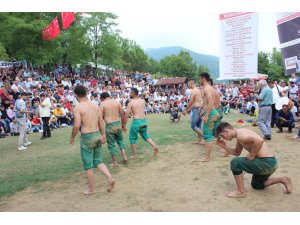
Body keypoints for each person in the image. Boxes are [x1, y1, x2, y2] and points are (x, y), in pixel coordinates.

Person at [216, 122, 292, 198]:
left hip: (266, 163)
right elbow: (237, 152)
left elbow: (259, 141)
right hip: (270, 163)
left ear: (226, 131)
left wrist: (252, 155)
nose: (223, 138)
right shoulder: (240, 135)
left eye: (222, 135)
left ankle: (240, 192)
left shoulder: (241, 136)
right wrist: (225, 147)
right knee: (257, 185)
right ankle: (283, 179)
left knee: (235, 162)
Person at [70, 85, 115, 195]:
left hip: (87, 137)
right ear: (85, 93)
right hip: (97, 135)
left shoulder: (78, 107)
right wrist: (103, 134)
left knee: (88, 165)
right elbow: (101, 121)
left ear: (76, 95)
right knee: (98, 161)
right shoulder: (95, 105)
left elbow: (76, 125)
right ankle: (110, 177)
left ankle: (91, 189)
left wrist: (72, 137)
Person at [123, 88, 158, 159]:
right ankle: (154, 146)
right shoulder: (142, 101)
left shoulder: (131, 103)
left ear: (133, 93)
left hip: (136, 122)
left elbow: (126, 115)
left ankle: (134, 155)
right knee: (146, 135)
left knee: (132, 138)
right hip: (143, 121)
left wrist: (124, 125)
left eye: (130, 93)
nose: (129, 94)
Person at [99, 92, 128, 167]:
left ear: (102, 98)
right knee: (120, 141)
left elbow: (100, 117)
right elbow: (122, 115)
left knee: (111, 145)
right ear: (109, 96)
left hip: (109, 125)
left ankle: (115, 162)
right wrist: (124, 125)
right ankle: (125, 157)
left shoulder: (103, 104)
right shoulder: (117, 102)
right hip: (118, 124)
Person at [199, 72, 220, 162]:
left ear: (203, 78)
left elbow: (211, 102)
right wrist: (203, 112)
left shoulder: (207, 88)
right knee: (217, 134)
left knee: (207, 135)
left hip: (211, 113)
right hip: (214, 112)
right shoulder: (211, 88)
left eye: (200, 78)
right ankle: (227, 150)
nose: (199, 80)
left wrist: (206, 115)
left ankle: (207, 157)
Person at [185, 79, 204, 145]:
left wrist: (186, 109)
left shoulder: (194, 91)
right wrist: (190, 109)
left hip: (196, 109)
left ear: (191, 83)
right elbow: (197, 101)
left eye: (188, 84)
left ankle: (206, 138)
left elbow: (191, 101)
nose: (187, 85)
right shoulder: (198, 90)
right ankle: (200, 141)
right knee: (198, 126)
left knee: (193, 126)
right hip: (199, 109)